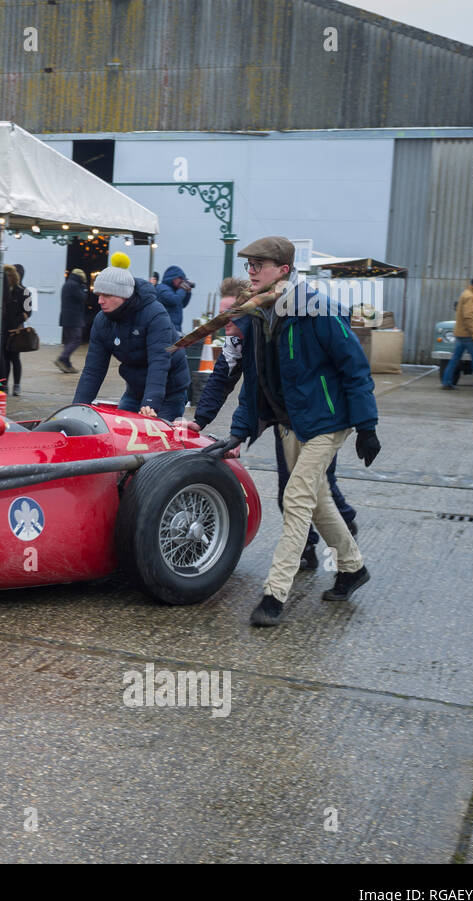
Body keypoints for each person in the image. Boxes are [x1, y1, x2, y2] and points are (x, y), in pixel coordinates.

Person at [208, 236, 379, 627]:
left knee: (297, 497)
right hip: (289, 424)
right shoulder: (255, 314)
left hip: (326, 421)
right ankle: (352, 568)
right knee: (318, 501)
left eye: (259, 265)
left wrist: (367, 426)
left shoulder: (319, 311)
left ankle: (274, 593)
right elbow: (255, 381)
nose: (250, 272)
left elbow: (355, 369)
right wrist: (238, 431)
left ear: (283, 270)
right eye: (248, 265)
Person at [180, 275, 358, 571]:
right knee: (290, 490)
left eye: (231, 315)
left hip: (319, 419)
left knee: (318, 489)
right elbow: (222, 378)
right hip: (285, 421)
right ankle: (307, 547)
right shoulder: (238, 340)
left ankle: (346, 530)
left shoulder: (271, 335)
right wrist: (199, 421)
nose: (226, 322)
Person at [72, 264, 190, 420]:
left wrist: (150, 403)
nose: (100, 301)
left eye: (106, 295)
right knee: (122, 433)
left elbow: (159, 362)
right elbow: (93, 370)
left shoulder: (155, 314)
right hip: (135, 389)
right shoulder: (101, 321)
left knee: (154, 438)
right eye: (98, 295)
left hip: (169, 390)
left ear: (123, 295)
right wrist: (76, 409)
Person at [441, 277, 473, 390]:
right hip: (468, 335)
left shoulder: (467, 294)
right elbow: (469, 317)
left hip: (461, 334)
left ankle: (446, 382)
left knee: (454, 360)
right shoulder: (470, 297)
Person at [1, 264, 28, 396]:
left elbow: (28, 312)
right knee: (4, 359)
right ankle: (4, 384)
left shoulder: (24, 291)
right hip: (2, 329)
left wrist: (18, 321)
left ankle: (16, 385)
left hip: (16, 330)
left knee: (15, 358)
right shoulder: (1, 290)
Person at [56, 267, 88, 374]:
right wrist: (84, 287)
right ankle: (62, 358)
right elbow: (83, 297)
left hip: (66, 317)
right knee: (76, 339)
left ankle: (67, 364)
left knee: (69, 340)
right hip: (74, 317)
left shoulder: (67, 284)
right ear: (81, 277)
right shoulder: (75, 285)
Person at [155, 265, 193, 334]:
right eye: (181, 278)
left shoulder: (175, 291)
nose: (182, 281)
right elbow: (174, 300)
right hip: (164, 329)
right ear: (173, 278)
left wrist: (188, 292)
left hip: (175, 329)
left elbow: (182, 304)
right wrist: (182, 289)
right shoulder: (161, 288)